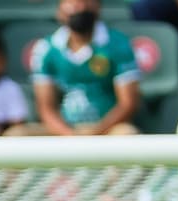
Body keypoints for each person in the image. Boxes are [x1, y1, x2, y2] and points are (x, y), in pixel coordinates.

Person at [27, 0, 140, 135]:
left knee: (127, 134)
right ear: (59, 10)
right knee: (17, 135)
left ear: (98, 7)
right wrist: (71, 136)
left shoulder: (119, 44)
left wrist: (95, 133)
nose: (79, 6)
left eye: (85, 1)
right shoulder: (45, 48)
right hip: (62, 129)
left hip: (108, 129)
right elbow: (46, 108)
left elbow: (128, 103)